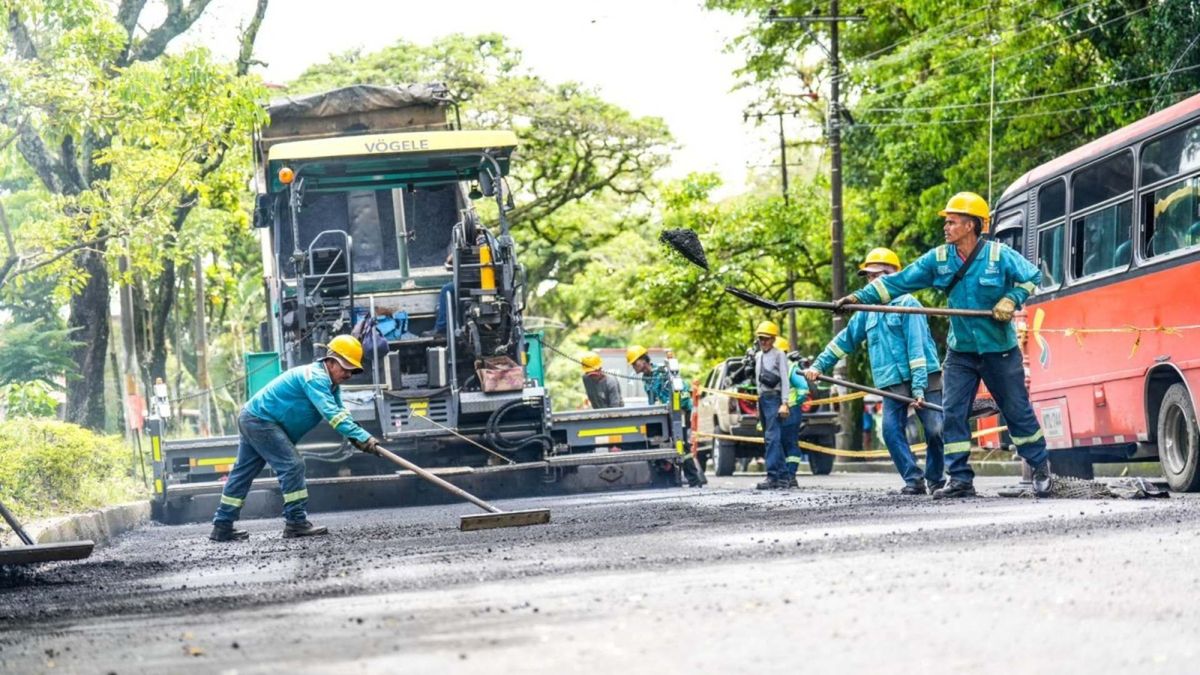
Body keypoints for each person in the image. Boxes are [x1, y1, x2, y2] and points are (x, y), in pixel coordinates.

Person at [833, 191, 1052, 499]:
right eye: (947, 222)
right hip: (961, 352)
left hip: (999, 351)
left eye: (952, 222)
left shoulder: (998, 256)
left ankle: (1040, 467)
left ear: (971, 225)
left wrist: (1011, 298)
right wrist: (858, 298)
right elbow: (899, 281)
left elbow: (1033, 276)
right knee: (952, 412)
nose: (946, 227)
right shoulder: (939, 259)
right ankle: (960, 478)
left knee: (1016, 411)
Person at [210, 335, 381, 541]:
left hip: (254, 416)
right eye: (345, 368)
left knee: (243, 473)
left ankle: (222, 526)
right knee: (292, 466)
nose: (349, 374)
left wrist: (356, 436)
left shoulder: (331, 384)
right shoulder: (315, 378)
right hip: (260, 419)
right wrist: (363, 437)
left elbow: (341, 412)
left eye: (352, 370)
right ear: (331, 361)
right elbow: (332, 415)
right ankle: (296, 522)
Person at [805, 248, 945, 495]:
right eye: (868, 277)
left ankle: (936, 478)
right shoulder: (866, 312)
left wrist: (919, 387)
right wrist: (818, 365)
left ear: (893, 275)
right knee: (891, 431)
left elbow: (917, 349)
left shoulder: (907, 304)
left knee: (935, 429)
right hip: (892, 382)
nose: (870, 281)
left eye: (875, 275)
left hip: (925, 376)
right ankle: (913, 479)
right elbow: (843, 341)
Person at [627, 345, 705, 487]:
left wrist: (677, 410)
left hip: (680, 409)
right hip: (666, 412)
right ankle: (669, 478)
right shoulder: (646, 379)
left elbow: (678, 392)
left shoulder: (662, 371)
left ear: (643, 360)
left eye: (634, 362)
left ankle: (695, 480)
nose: (633, 366)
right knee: (662, 442)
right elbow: (653, 400)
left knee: (682, 444)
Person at [748, 321, 791, 490]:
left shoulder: (779, 354)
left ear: (773, 339)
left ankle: (772, 476)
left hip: (774, 399)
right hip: (763, 399)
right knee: (771, 439)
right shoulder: (758, 356)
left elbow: (785, 379)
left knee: (772, 438)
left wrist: (785, 402)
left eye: (766, 339)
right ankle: (784, 476)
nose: (763, 342)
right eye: (761, 339)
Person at [778, 338, 810, 488]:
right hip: (777, 411)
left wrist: (793, 402)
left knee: (790, 442)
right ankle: (783, 476)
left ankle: (791, 475)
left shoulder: (791, 367)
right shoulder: (771, 366)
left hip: (790, 411)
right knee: (779, 443)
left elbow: (803, 388)